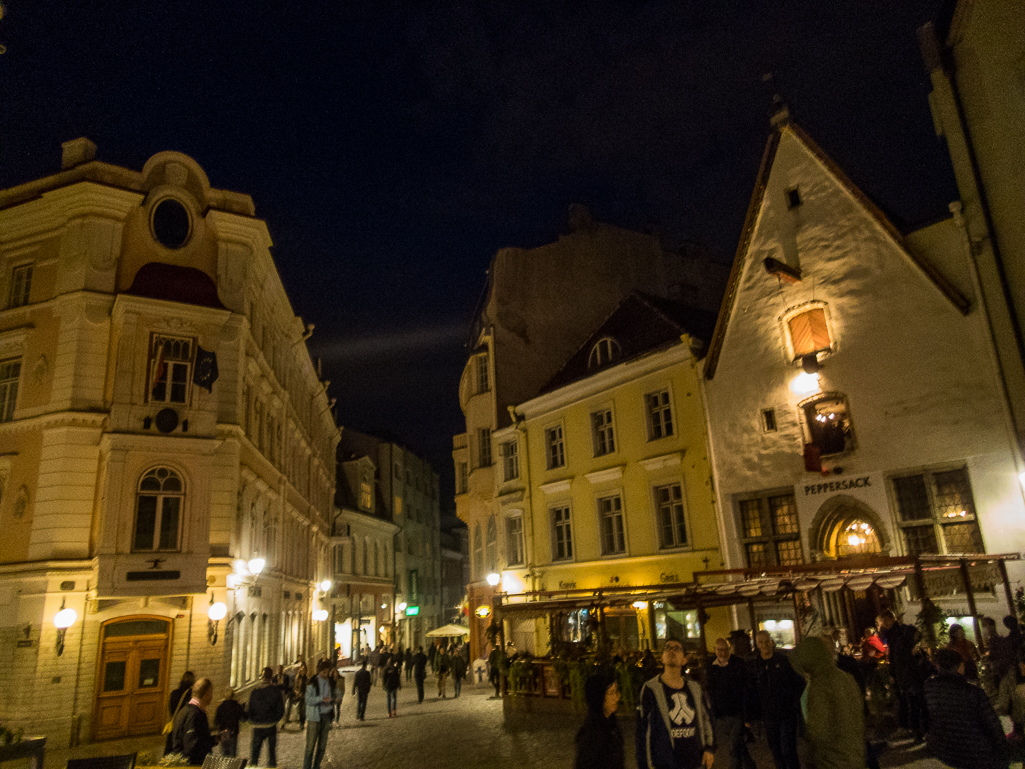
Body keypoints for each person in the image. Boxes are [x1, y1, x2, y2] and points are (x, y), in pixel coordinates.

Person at [923, 647, 1009, 769]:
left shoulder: (929, 688)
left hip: (945, 751)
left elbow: (926, 718)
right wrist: (1003, 752)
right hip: (975, 752)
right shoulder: (973, 692)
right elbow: (992, 725)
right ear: (960, 667)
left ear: (938, 666)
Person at [636, 638, 715, 769]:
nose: (671, 650)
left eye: (677, 648)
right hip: (665, 763)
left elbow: (706, 718)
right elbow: (644, 731)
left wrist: (709, 748)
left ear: (684, 659)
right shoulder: (651, 688)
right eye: (667, 647)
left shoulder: (694, 688)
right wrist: (645, 765)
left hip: (694, 761)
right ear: (662, 658)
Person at [789, 635, 865, 769]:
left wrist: (811, 757)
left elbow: (820, 730)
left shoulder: (820, 684)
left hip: (833, 760)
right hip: (854, 754)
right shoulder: (844, 677)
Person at [750, 630, 804, 769]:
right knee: (776, 750)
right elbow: (753, 690)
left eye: (766, 641)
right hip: (769, 715)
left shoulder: (783, 661)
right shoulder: (756, 665)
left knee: (788, 749)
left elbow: (798, 683)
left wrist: (793, 703)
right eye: (761, 642)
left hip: (786, 713)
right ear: (757, 644)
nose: (764, 645)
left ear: (771, 641)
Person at [876, 609, 925, 742]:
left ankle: (916, 731)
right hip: (903, 673)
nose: (883, 624)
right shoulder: (893, 634)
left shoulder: (902, 632)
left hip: (908, 672)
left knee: (912, 701)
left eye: (884, 621)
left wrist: (914, 649)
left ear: (889, 620)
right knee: (907, 701)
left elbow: (916, 637)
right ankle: (913, 730)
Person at [705, 637, 754, 769]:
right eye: (719, 649)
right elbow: (711, 690)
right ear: (715, 650)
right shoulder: (712, 667)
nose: (722, 652)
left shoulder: (738, 664)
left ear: (729, 649)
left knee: (733, 748)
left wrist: (746, 716)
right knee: (740, 746)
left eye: (725, 649)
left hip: (737, 714)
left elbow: (745, 690)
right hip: (722, 715)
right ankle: (751, 766)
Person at [574, 672, 624, 769]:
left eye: (616, 692)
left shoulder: (611, 725)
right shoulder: (592, 734)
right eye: (611, 693)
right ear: (599, 697)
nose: (616, 698)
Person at [170, 677, 217, 765]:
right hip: (192, 764)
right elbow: (192, 745)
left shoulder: (184, 710)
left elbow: (198, 738)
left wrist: (215, 739)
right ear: (206, 694)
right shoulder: (195, 714)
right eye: (211, 692)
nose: (211, 696)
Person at [303, 659, 339, 769]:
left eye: (328, 672)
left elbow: (335, 693)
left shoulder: (331, 682)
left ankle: (316, 766)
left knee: (322, 746)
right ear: (320, 670)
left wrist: (337, 699)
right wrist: (321, 699)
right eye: (324, 672)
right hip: (314, 717)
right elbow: (308, 699)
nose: (326, 675)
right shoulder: (313, 682)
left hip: (326, 716)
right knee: (310, 746)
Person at [248, 666, 285, 768]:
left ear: (262, 677)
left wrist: (254, 720)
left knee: (255, 754)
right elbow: (281, 710)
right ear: (271, 677)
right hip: (270, 726)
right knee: (272, 753)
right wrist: (274, 719)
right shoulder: (276, 692)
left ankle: (253, 767)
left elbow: (249, 710)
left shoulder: (255, 692)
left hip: (257, 727)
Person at [165, 671, 195, 756]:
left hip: (175, 723)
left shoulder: (174, 693)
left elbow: (171, 709)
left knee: (171, 749)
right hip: (184, 725)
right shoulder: (190, 695)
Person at [213, 688, 246, 758]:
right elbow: (243, 718)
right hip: (232, 733)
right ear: (233, 696)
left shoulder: (220, 707)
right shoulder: (236, 705)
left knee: (224, 756)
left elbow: (216, 722)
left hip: (223, 734)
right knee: (232, 757)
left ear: (224, 696)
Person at [292, 661, 309, 730]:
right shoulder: (297, 678)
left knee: (303, 710)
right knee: (299, 710)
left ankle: (302, 723)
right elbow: (295, 687)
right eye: (302, 671)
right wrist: (297, 693)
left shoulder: (307, 679)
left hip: (305, 696)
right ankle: (301, 721)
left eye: (304, 671)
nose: (303, 672)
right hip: (299, 696)